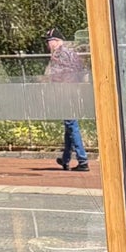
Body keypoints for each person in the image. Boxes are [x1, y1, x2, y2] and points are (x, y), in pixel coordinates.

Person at [45, 28, 89, 171]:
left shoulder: (58, 55)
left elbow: (54, 76)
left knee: (71, 125)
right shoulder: (71, 53)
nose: (48, 45)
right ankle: (65, 159)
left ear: (57, 41)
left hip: (65, 94)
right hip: (73, 92)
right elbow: (80, 70)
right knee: (69, 125)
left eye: (50, 41)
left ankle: (83, 160)